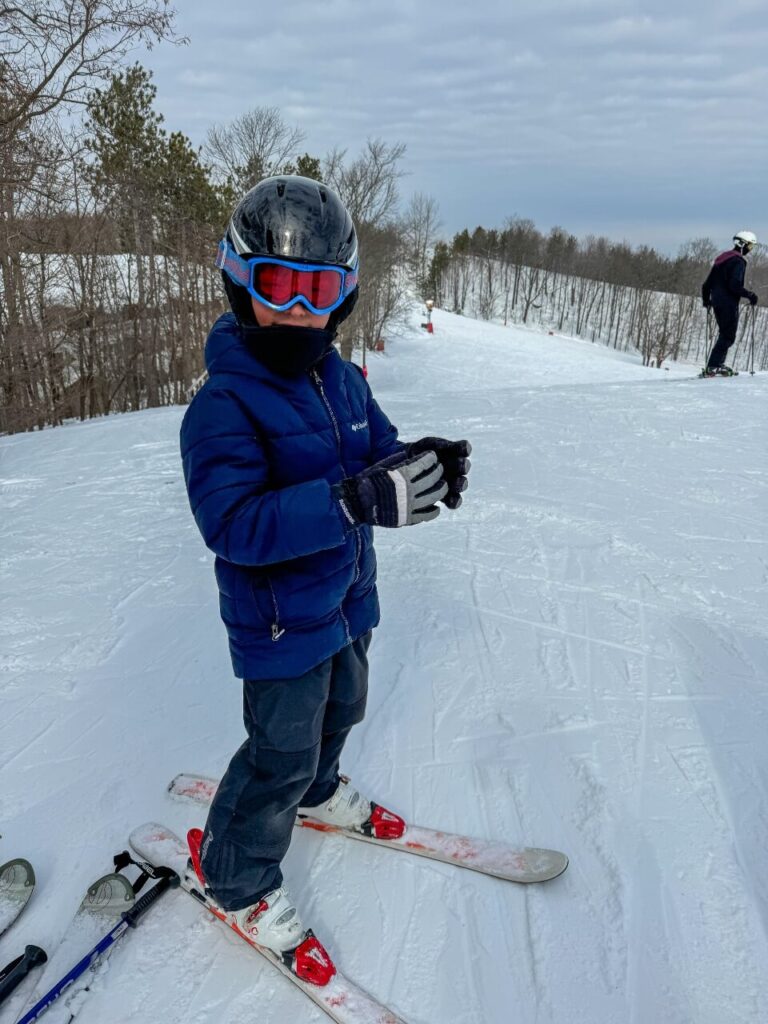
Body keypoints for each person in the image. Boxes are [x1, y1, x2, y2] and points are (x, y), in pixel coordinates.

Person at [179, 175, 471, 985]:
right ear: (240, 280)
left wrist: (417, 464)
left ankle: (318, 791)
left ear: (343, 297)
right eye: (280, 285)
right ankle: (237, 878)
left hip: (346, 599)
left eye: (321, 289)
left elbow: (373, 451)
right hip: (278, 622)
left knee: (346, 706)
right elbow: (233, 525)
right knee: (278, 751)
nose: (299, 309)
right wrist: (349, 500)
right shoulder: (222, 405)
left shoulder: (341, 379)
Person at [701, 230, 759, 376]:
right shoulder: (738, 261)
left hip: (716, 302)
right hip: (728, 303)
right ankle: (713, 366)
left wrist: (706, 300)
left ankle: (717, 364)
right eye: (750, 246)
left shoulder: (722, 259)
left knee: (724, 334)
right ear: (742, 244)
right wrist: (750, 295)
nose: (749, 250)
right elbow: (734, 285)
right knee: (728, 336)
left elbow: (706, 284)